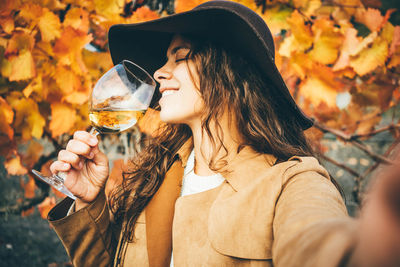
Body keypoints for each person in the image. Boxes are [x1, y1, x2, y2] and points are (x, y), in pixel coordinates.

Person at [47, 1, 400, 266]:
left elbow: (315, 243)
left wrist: (374, 247)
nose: (158, 73)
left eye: (179, 56)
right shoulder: (154, 175)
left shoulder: (293, 183)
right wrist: (88, 203)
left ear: (230, 74)